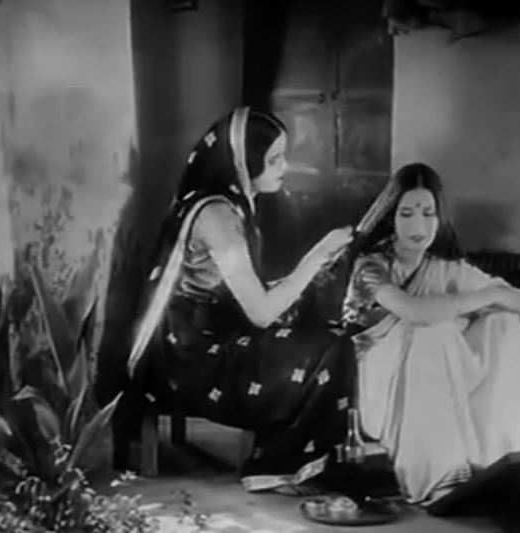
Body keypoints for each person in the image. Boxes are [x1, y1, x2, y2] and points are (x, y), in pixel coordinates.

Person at [125, 107, 355, 493]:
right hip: (191, 356)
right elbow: (260, 312)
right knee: (328, 348)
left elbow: (238, 291)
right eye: (273, 159)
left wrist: (305, 277)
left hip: (205, 334)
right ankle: (276, 466)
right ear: (243, 163)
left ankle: (292, 460)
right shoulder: (218, 216)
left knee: (325, 333)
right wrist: (317, 256)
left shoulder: (228, 203)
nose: (284, 167)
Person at [342, 162, 520, 509]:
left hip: (438, 368)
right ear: (391, 217)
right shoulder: (371, 266)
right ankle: (440, 474)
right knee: (432, 331)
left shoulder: (442, 267)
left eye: (428, 213)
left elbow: (515, 302)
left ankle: (515, 465)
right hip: (377, 382)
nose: (418, 226)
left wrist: (474, 313)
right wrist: (474, 305)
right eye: (406, 214)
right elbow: (413, 311)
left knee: (501, 326)